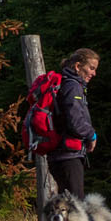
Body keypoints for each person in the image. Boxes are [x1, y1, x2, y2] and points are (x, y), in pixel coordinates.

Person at [43, 47, 99, 199]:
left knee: (69, 204)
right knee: (76, 205)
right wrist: (91, 135)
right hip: (67, 155)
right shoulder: (72, 86)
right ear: (78, 66)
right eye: (91, 68)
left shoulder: (67, 84)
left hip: (63, 154)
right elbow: (75, 121)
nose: (94, 73)